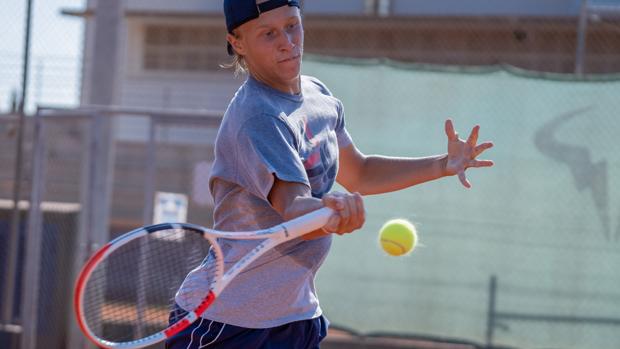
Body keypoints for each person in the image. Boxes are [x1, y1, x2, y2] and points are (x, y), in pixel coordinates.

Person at [166, 0, 494, 348]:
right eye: (268, 33)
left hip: (295, 317)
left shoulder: (318, 96)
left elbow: (361, 173)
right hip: (226, 322)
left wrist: (442, 165)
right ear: (238, 42)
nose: (286, 42)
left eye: (292, 25)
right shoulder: (258, 118)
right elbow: (292, 208)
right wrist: (332, 212)